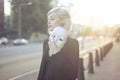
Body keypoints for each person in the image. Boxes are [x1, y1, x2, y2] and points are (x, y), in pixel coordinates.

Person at [37, 7, 79, 80]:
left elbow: (73, 74)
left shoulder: (73, 43)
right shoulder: (46, 42)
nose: (49, 22)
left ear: (63, 20)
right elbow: (43, 69)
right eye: (48, 20)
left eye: (52, 19)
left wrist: (56, 53)